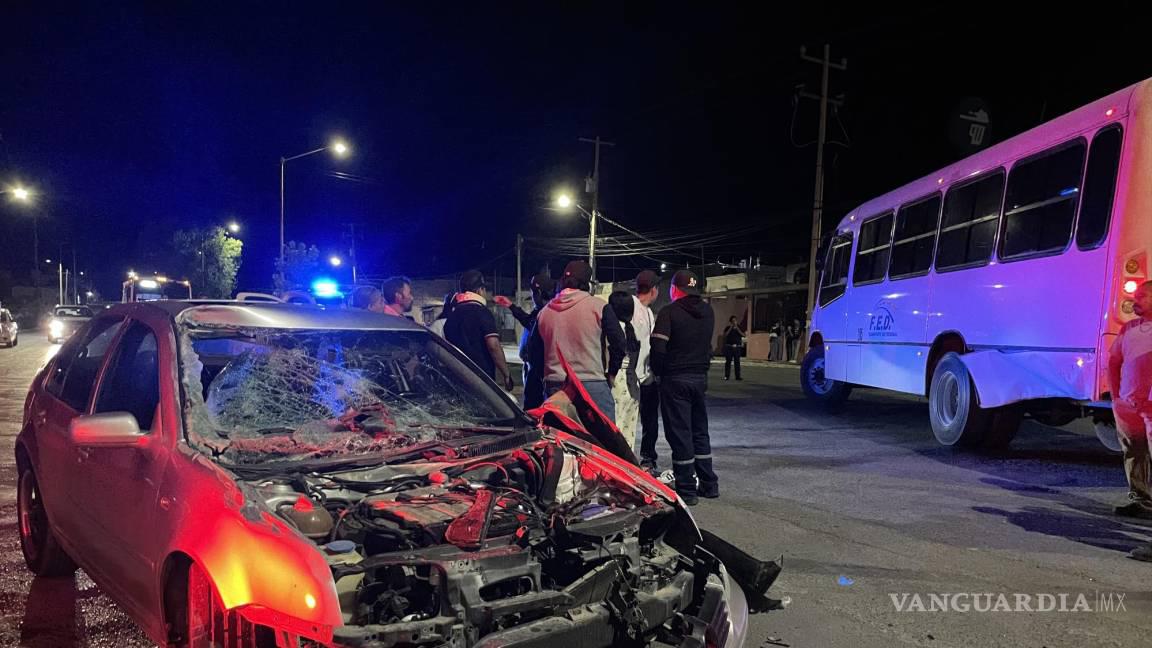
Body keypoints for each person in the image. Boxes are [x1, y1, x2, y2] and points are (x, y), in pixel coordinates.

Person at [651, 269, 717, 505]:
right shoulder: (708, 311)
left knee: (680, 435)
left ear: (675, 289)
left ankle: (687, 489)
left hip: (675, 379)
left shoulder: (669, 313)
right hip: (700, 378)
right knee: (700, 431)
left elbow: (658, 348)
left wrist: (658, 373)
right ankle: (709, 484)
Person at [535, 260, 625, 420]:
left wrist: (545, 377)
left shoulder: (544, 312)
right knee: (603, 440)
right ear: (587, 283)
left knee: (560, 438)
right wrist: (611, 373)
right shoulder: (599, 307)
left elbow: (533, 352)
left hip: (556, 385)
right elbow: (619, 342)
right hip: (592, 384)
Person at [1108, 283, 1152, 540]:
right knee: (1133, 452)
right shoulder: (1129, 329)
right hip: (1128, 405)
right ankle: (1142, 501)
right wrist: (1115, 397)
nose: (1135, 301)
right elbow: (1114, 361)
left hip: (1149, 406)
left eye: (1142, 297)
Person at [494, 272, 556, 410]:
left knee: (533, 408)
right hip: (532, 369)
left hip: (539, 373)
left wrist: (512, 307)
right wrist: (511, 306)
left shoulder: (547, 312)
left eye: (533, 293)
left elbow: (530, 323)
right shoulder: (540, 311)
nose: (533, 297)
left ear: (539, 292)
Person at [445, 270, 514, 391]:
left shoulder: (453, 315)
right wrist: (506, 374)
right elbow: (493, 346)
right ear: (479, 290)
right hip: (481, 379)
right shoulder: (482, 312)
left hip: (456, 377)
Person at [634, 270, 661, 474]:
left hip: (647, 376)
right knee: (628, 420)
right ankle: (626, 459)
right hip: (632, 376)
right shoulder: (633, 308)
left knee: (650, 420)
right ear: (653, 290)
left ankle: (648, 458)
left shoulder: (649, 311)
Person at [608, 291, 642, 447]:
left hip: (617, 382)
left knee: (616, 429)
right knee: (630, 431)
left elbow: (615, 353)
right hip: (633, 383)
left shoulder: (613, 329)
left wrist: (610, 375)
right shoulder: (633, 328)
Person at [723, 315, 745, 381]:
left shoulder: (739, 327)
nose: (734, 322)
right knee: (728, 362)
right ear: (730, 322)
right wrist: (731, 327)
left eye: (735, 321)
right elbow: (725, 335)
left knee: (737, 362)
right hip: (729, 347)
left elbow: (743, 335)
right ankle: (727, 376)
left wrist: (737, 328)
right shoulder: (727, 328)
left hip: (737, 347)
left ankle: (738, 376)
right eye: (732, 321)